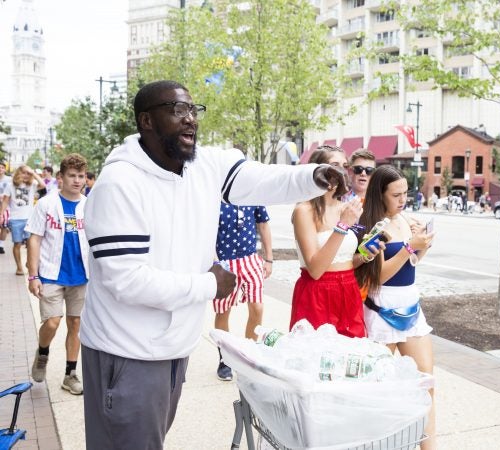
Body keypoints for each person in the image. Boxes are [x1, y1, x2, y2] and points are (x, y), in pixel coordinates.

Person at [80, 80, 347, 449]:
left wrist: (313, 177)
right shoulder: (119, 184)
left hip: (173, 350)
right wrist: (211, 285)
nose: (190, 119)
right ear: (146, 121)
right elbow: (125, 281)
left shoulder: (205, 165)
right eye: (177, 110)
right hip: (126, 353)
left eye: (193, 110)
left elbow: (260, 178)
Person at [354, 165, 436, 450]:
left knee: (426, 382)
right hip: (381, 306)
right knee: (379, 388)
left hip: (410, 304)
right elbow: (377, 277)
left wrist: (423, 242)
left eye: (405, 193)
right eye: (396, 195)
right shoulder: (371, 225)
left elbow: (412, 264)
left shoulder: (404, 219)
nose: (403, 199)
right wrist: (409, 247)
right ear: (381, 194)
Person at [290, 145, 381, 337]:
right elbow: (315, 269)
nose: (341, 171)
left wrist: (365, 255)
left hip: (349, 290)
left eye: (344, 166)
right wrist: (342, 226)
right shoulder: (304, 210)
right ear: (317, 170)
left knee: (350, 359)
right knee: (317, 360)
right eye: (334, 165)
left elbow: (343, 260)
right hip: (317, 293)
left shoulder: (346, 208)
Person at [25, 154, 89, 395]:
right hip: (51, 273)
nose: (77, 180)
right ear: (60, 177)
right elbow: (34, 239)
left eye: (81, 176)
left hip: (81, 276)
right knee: (52, 322)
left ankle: (70, 374)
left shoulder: (88, 205)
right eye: (72, 175)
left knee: (76, 324)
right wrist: (33, 276)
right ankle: (43, 352)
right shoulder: (47, 204)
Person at [213, 203, 273, 381]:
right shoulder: (215, 194)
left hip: (250, 258)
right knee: (223, 311)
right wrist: (215, 262)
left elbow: (263, 223)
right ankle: (226, 358)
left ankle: (249, 355)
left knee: (257, 308)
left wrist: (268, 258)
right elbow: (205, 232)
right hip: (224, 261)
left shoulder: (253, 192)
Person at [0, 165, 45, 275]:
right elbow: (5, 201)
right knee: (17, 244)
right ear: (18, 173)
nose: (26, 175)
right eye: (23, 173)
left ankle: (29, 262)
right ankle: (19, 267)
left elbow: (43, 185)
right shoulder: (10, 185)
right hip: (15, 219)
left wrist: (33, 173)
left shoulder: (32, 184)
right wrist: (1, 215)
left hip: (30, 219)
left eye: (28, 174)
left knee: (31, 244)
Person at [0, 163, 10, 254]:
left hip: (5, 206)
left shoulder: (9, 180)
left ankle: (1, 245)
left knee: (4, 226)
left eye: (2, 168)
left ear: (5, 170)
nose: (0, 169)